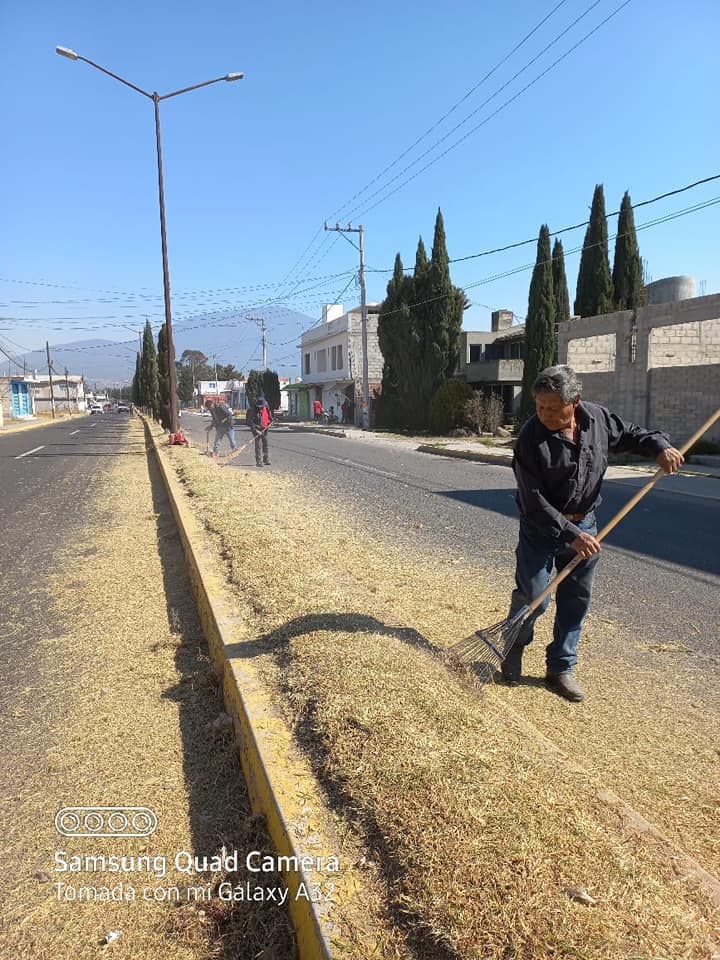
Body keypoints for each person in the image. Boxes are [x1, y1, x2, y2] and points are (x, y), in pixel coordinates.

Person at [501, 364, 684, 703]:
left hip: (586, 525)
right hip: (542, 528)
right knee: (534, 597)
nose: (544, 414)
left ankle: (560, 668)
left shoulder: (597, 419)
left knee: (575, 601)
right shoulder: (530, 438)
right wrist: (570, 533)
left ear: (576, 402)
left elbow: (631, 434)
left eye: (553, 408)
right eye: (539, 406)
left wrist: (660, 447)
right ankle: (512, 650)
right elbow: (533, 501)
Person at [246, 395, 272, 467]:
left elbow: (269, 417)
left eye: (263, 405)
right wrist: (256, 430)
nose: (262, 407)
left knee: (265, 444)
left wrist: (270, 421)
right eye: (261, 406)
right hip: (257, 429)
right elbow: (250, 422)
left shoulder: (266, 408)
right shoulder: (253, 411)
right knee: (258, 445)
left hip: (265, 429)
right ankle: (259, 461)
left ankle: (266, 459)